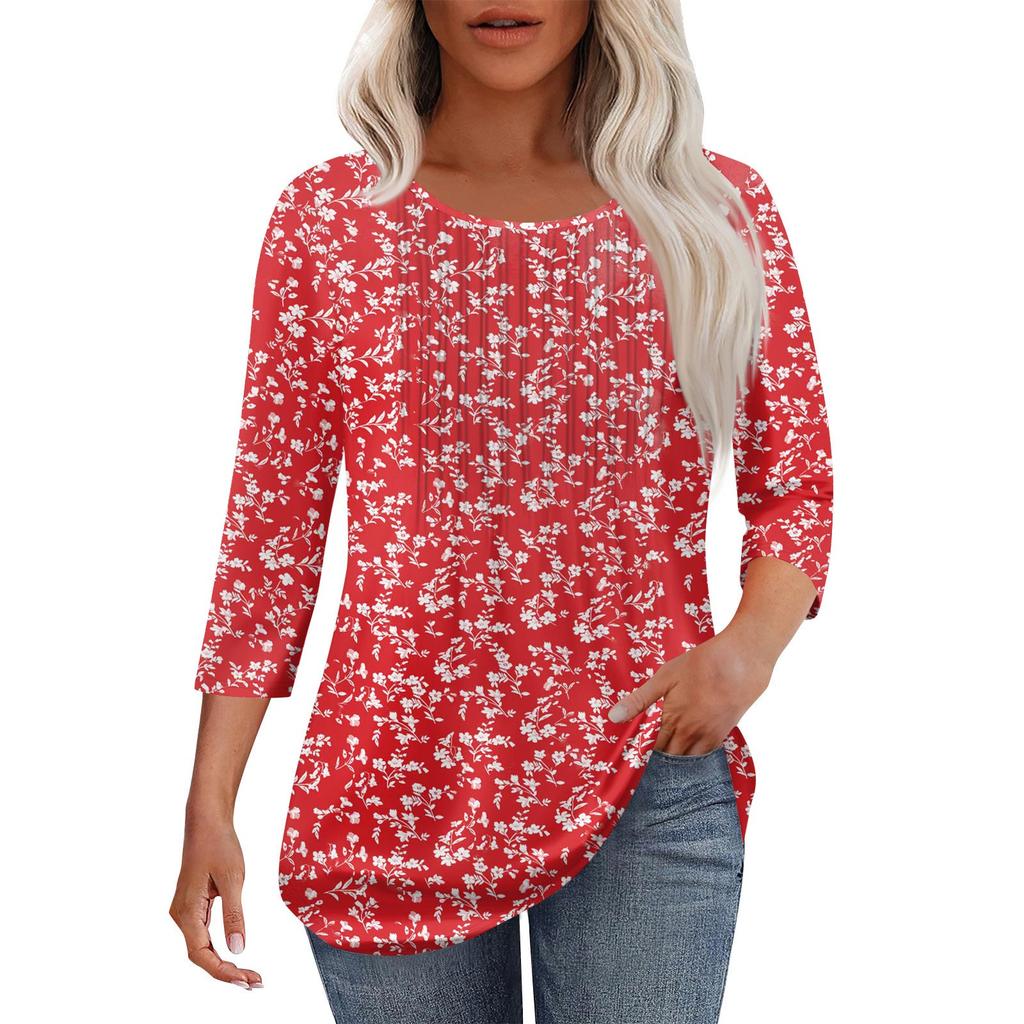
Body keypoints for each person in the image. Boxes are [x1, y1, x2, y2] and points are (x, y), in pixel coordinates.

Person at [169, 2, 834, 1021]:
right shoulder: (331, 219)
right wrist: (209, 802)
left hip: (644, 767)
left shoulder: (713, 209)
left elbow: (794, 482)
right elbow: (271, 528)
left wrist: (745, 653)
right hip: (389, 784)